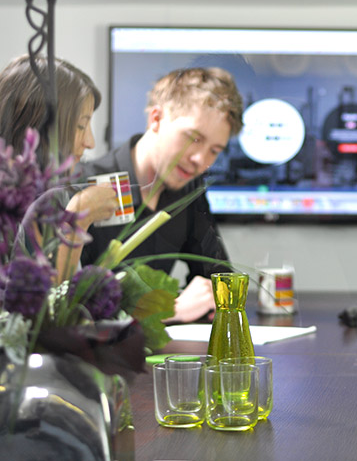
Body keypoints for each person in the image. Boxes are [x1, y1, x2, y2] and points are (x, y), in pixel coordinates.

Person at [79, 67, 243, 323]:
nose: (201, 159)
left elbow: (219, 278)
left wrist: (208, 297)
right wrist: (168, 310)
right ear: (155, 119)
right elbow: (66, 309)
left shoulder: (188, 190)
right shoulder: (89, 185)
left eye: (214, 150)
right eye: (194, 138)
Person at [0, 55, 117, 280]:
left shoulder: (50, 196)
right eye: (81, 125)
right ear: (37, 127)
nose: (90, 142)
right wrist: (76, 222)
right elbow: (44, 308)